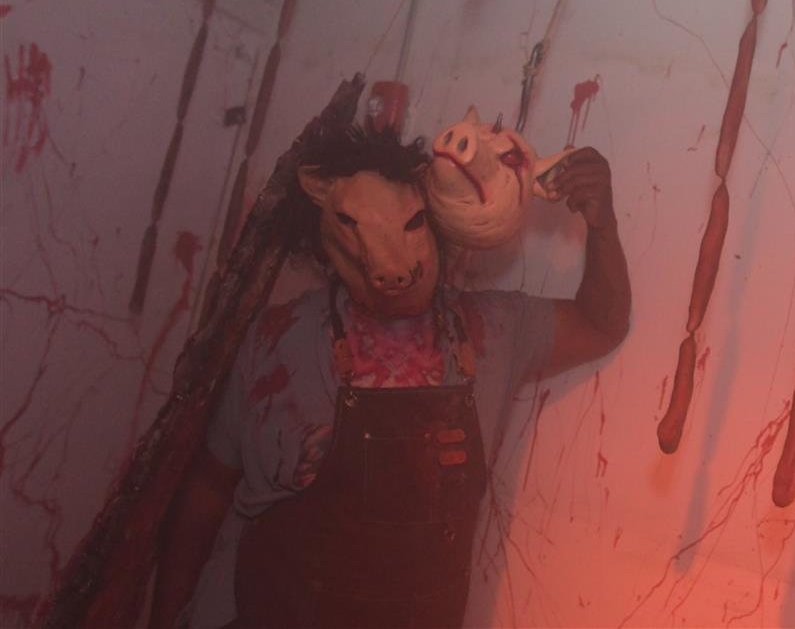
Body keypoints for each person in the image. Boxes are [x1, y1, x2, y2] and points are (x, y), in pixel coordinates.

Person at [150, 125, 630, 628]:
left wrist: (603, 227)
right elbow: (208, 490)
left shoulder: (491, 330)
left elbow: (601, 322)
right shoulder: (278, 339)